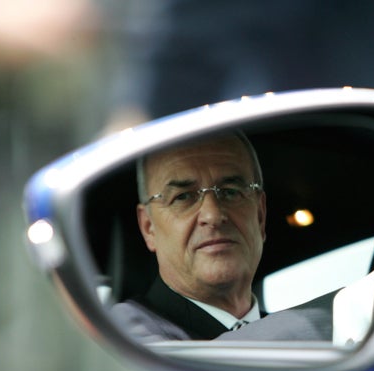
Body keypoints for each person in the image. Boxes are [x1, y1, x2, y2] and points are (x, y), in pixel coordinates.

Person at [113, 131, 268, 341]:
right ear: (149, 228)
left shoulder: (306, 341)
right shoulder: (124, 336)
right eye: (183, 197)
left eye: (231, 192)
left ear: (260, 216)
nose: (213, 215)